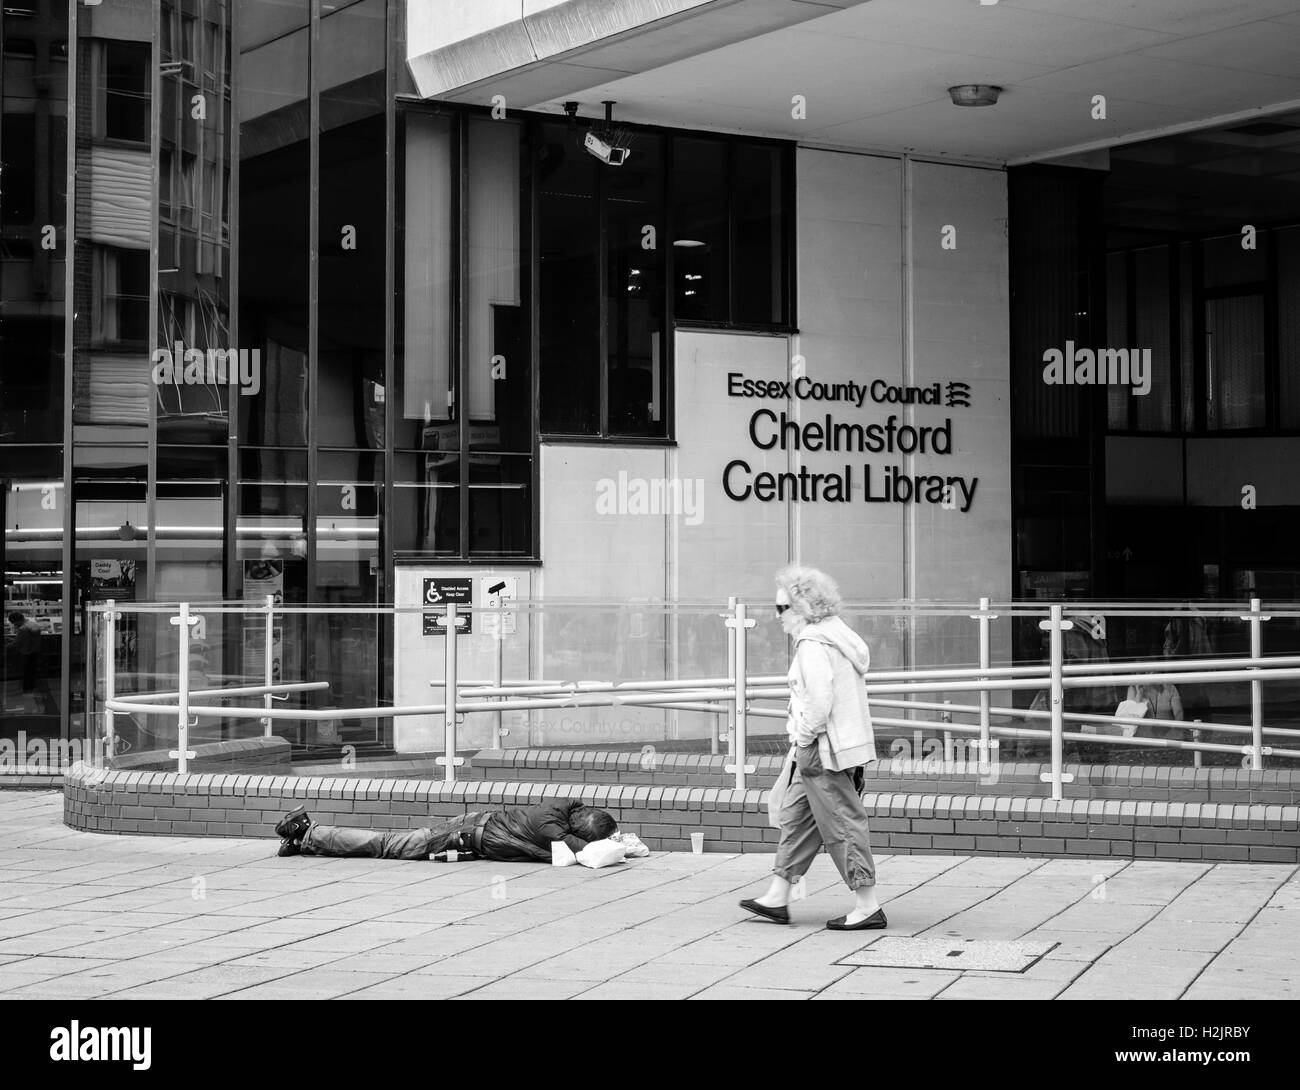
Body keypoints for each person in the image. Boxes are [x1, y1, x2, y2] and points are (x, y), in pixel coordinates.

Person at [740, 564, 884, 931]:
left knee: (842, 824)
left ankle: (867, 905)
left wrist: (803, 739)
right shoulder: (837, 635)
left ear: (802, 606)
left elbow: (819, 704)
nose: (777, 617)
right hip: (832, 747)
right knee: (797, 819)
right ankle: (777, 895)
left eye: (781, 608)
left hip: (823, 749)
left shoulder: (812, 643)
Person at [273, 798, 618, 861]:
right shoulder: (550, 827)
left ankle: (302, 843)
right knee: (389, 846)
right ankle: (308, 831)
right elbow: (583, 851)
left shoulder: (562, 809)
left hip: (472, 830)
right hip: (463, 832)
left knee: (390, 844)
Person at [6, 611, 42, 711]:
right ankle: (30, 689)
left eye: (13, 623)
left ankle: (27, 692)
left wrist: (6, 646)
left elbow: (16, 643)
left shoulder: (23, 629)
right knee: (31, 672)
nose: (13, 625)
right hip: (35, 651)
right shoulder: (32, 624)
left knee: (27, 673)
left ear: (17, 620)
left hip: (27, 653)